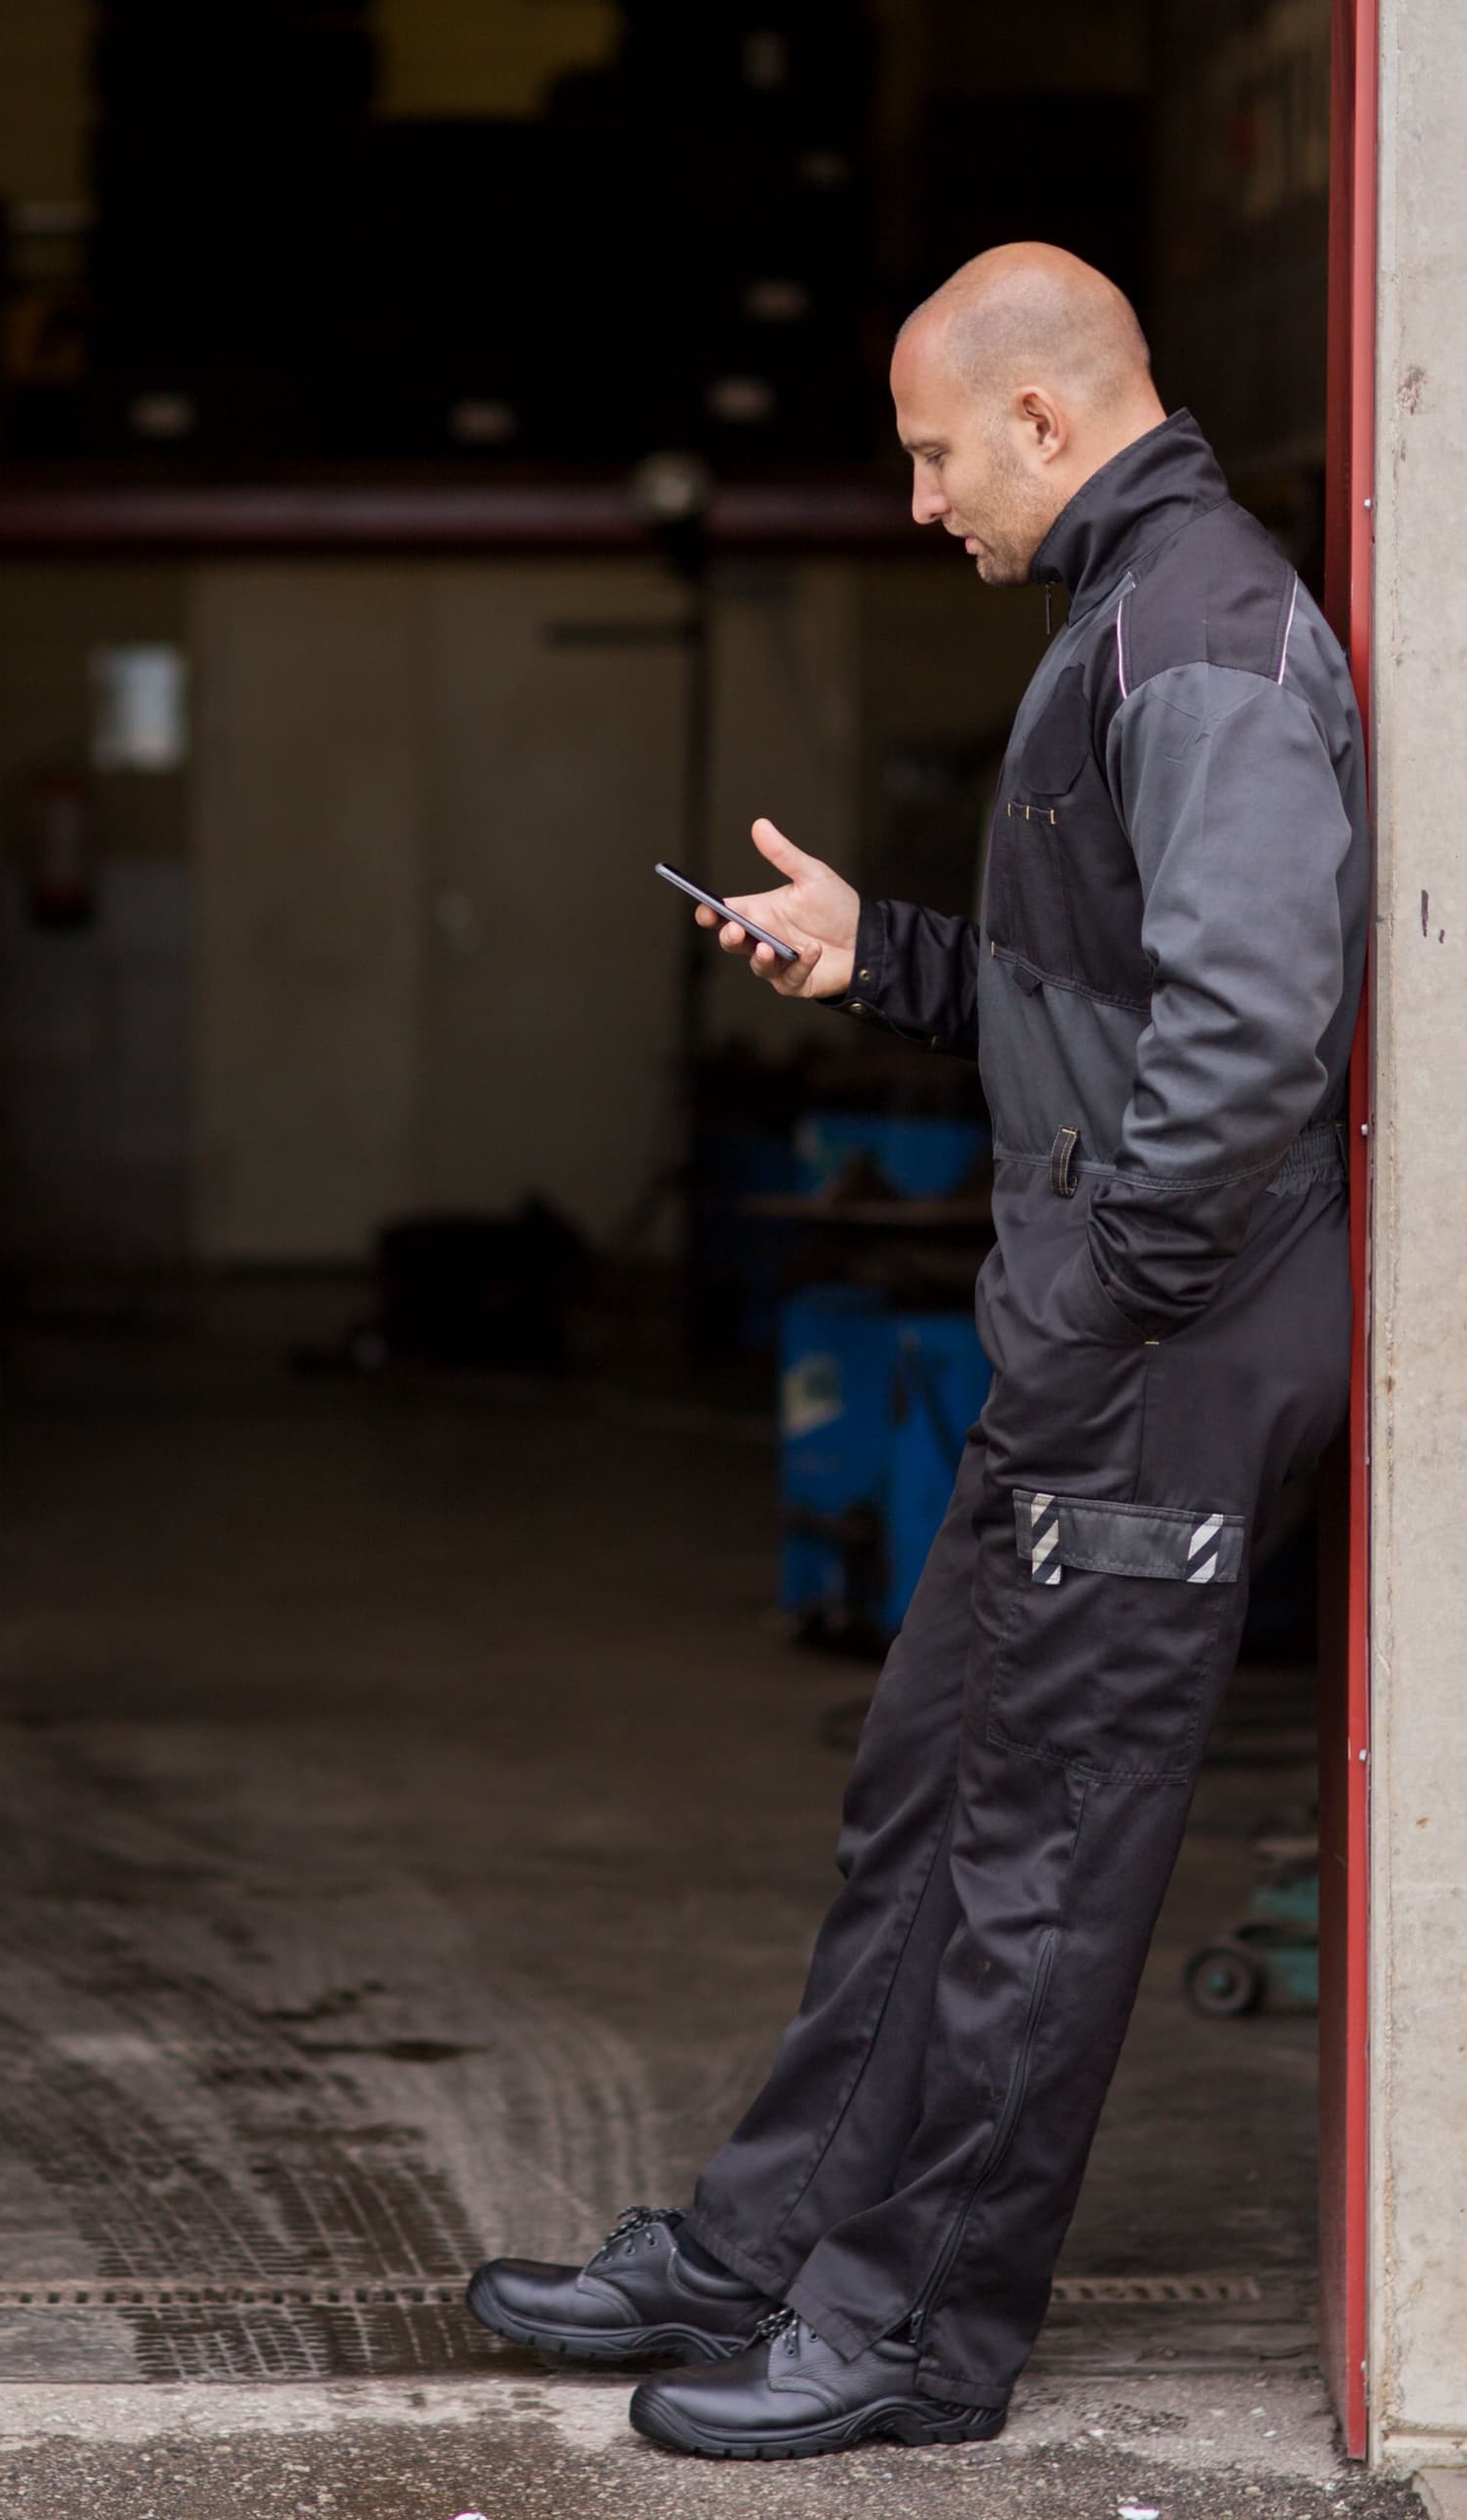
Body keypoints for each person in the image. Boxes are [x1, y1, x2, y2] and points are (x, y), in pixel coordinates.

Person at [465, 242, 1368, 2460]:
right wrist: (888, 954)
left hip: (1158, 1339)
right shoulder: (1130, 627)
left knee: (1037, 1857)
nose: (919, 496)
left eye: (932, 449)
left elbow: (1254, 1034)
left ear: (1049, 425)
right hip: (1109, 1333)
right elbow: (1125, 1003)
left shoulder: (1204, 632)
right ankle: (774, 2243)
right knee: (929, 1812)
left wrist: (1098, 1299)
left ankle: (912, 2332)